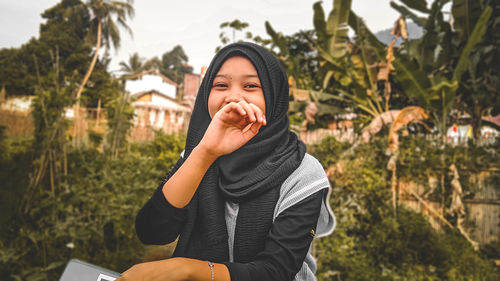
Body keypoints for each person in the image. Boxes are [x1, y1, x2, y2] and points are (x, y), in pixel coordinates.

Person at [118, 42, 335, 281]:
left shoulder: (302, 172)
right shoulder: (197, 155)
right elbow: (153, 231)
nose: (233, 97)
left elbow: (275, 271)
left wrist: (187, 269)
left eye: (251, 85)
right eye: (220, 85)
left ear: (274, 96)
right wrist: (205, 153)